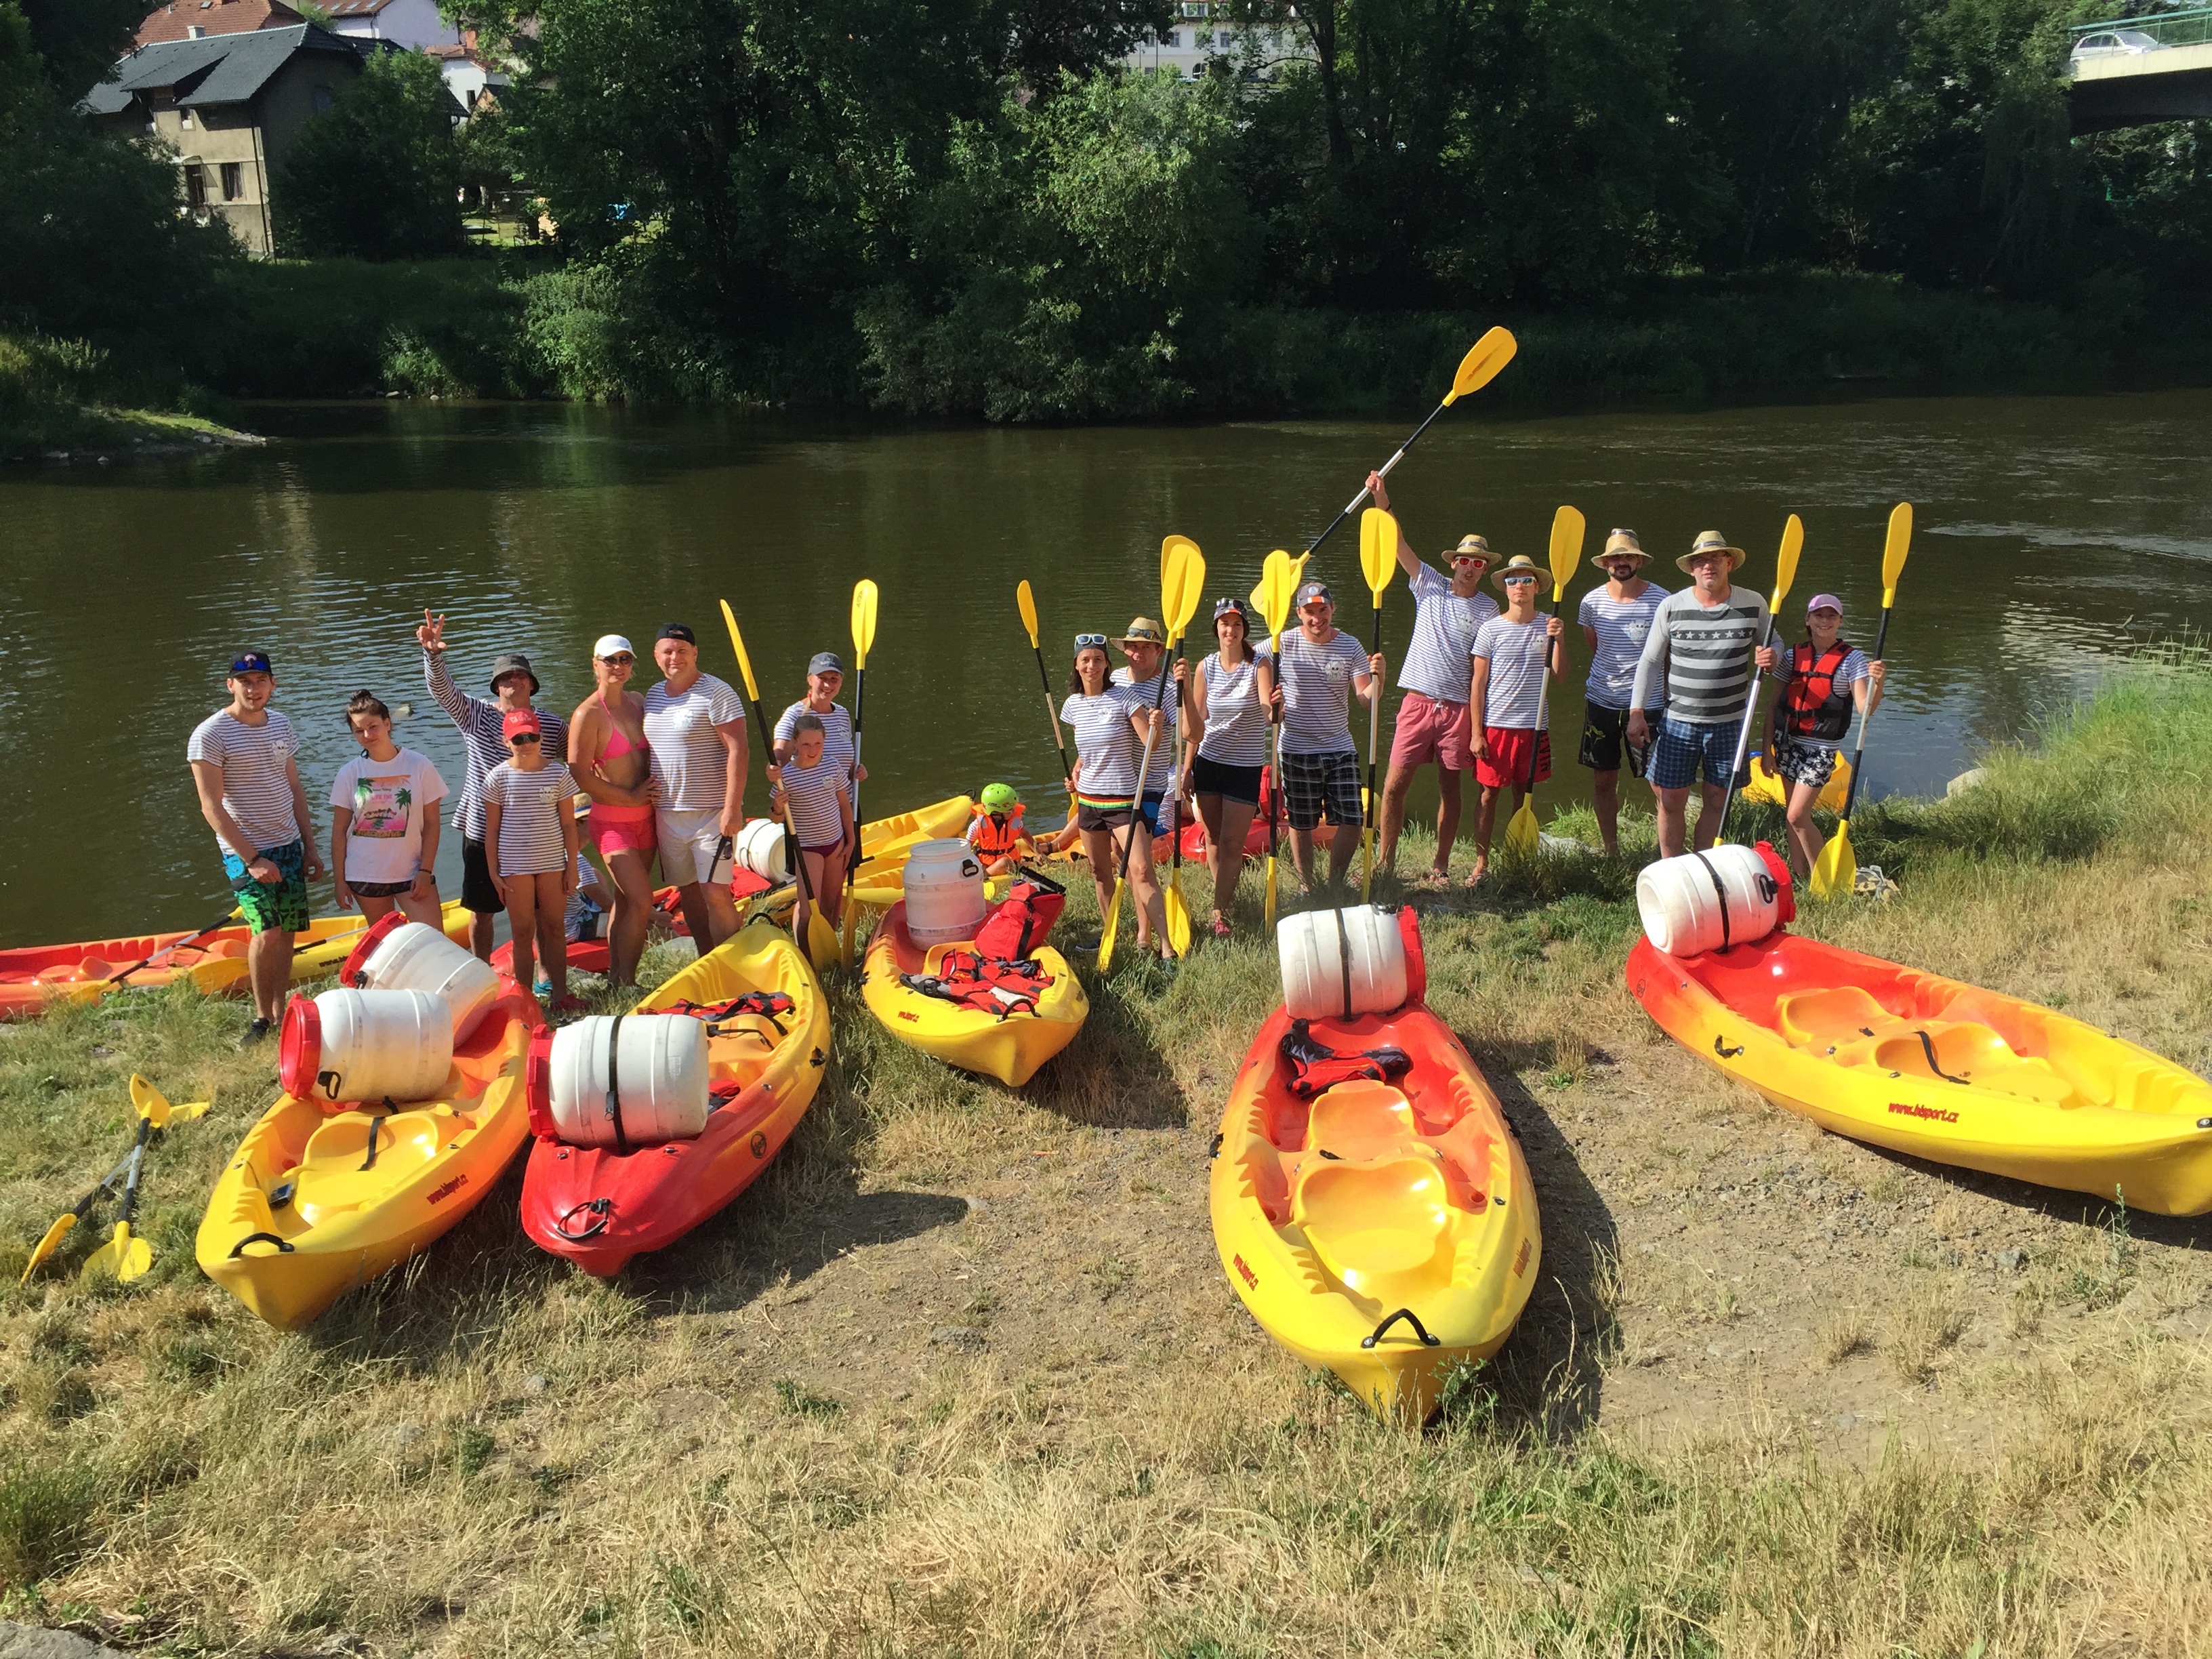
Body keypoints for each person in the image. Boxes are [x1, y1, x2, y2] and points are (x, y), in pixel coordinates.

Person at [186, 650, 324, 1044]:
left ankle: (282, 1015)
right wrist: (252, 858)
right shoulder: (209, 735)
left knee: (289, 932)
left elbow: (294, 787)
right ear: (231, 685)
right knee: (266, 931)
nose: (253, 688)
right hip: (245, 853)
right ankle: (261, 1020)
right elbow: (210, 806)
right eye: (245, 682)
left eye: (261, 681)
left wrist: (310, 848)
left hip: (288, 844)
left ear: (272, 685)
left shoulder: (281, 725)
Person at [1366, 471, 1496, 884]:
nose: (1470, 568)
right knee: (1393, 785)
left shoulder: (1492, 610)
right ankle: (1385, 862)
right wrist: (1382, 501)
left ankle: (1440, 865)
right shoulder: (1428, 585)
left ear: (1482, 568)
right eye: (1465, 561)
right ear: (1454, 562)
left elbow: (1490, 667)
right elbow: (1397, 543)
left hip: (1459, 710)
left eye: (1479, 563)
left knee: (1451, 789)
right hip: (1417, 702)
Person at [417, 611, 568, 963]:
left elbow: (578, 762)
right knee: (481, 910)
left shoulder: (550, 724)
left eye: (520, 676)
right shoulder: (477, 715)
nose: (513, 682)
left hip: (533, 834)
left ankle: (544, 978)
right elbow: (443, 691)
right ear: (496, 687)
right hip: (482, 829)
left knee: (540, 913)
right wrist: (433, 655)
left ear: (532, 684)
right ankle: (482, 972)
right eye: (505, 678)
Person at [1629, 531, 1778, 860]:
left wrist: (1772, 656)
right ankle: (1672, 868)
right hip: (1679, 720)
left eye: (1714, 559)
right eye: (1700, 561)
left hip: (1730, 723)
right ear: (1692, 569)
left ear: (1729, 563)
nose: (1707, 566)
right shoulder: (1671, 606)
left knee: (1716, 799)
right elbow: (1651, 661)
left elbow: (1774, 642)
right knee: (1670, 799)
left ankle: (1703, 866)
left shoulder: (1753, 603)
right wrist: (1636, 710)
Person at [1062, 632, 1172, 962]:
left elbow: (1150, 745)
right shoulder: (1072, 705)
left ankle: (1166, 948)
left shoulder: (1125, 697)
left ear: (1107, 663)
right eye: (1086, 660)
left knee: (1140, 869)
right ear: (1077, 666)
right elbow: (1087, 752)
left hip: (1124, 800)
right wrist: (1076, 774)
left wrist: (1157, 725)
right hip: (1089, 802)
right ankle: (1112, 932)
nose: (1092, 665)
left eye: (1098, 659)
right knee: (1099, 872)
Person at [1269, 580, 1383, 893]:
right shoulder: (1281, 642)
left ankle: (1334, 883)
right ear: (1298, 613)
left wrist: (1379, 679)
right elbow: (1248, 657)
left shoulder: (1350, 646)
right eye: (1309, 611)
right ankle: (1308, 886)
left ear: (1333, 610)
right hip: (1295, 747)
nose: (1317, 618)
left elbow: (1366, 698)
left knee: (1352, 819)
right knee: (1301, 823)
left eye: (1323, 610)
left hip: (1339, 745)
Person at [642, 622, 748, 954]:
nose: (676, 658)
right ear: (657, 657)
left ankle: (737, 957)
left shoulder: (717, 692)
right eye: (668, 652)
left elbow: (739, 749)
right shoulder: (653, 695)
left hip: (712, 813)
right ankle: (708, 957)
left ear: (695, 653)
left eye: (682, 651)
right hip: (668, 813)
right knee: (687, 891)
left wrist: (733, 807)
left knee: (715, 893)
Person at [1764, 594, 1885, 883]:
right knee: (1790, 816)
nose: (1825, 621)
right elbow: (1773, 706)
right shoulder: (1794, 655)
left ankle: (1825, 880)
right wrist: (1766, 750)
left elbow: (1863, 708)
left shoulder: (1852, 658)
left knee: (1797, 816)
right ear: (1808, 620)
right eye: (1819, 615)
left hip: (1820, 749)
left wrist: (1877, 682)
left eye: (1832, 616)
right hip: (1787, 743)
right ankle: (1800, 875)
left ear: (1841, 622)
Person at [1465, 556, 1568, 885]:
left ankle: (1515, 858)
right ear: (1505, 589)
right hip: (1496, 728)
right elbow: (1478, 684)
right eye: (1513, 581)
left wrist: (1560, 640)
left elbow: (1562, 675)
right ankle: (1481, 861)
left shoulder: (1549, 625)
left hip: (1534, 726)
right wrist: (1476, 733)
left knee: (1524, 794)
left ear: (1537, 586)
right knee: (1487, 795)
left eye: (1526, 580)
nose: (1519, 587)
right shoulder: (1490, 629)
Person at [567, 634, 656, 989]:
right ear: (595, 665)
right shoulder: (587, 714)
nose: (618, 666)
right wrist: (630, 796)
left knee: (624, 899)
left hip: (648, 817)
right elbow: (579, 773)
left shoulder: (638, 701)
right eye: (610, 660)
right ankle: (630, 982)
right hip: (613, 820)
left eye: (625, 659)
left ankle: (618, 980)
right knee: (641, 898)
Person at [1577, 530, 1670, 857]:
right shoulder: (1590, 602)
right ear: (1605, 563)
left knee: (1660, 783)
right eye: (1615, 557)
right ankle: (1611, 851)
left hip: (1650, 705)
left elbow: (1667, 656)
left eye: (1628, 556)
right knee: (1604, 780)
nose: (1621, 562)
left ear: (1639, 561)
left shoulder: (1662, 600)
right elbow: (1596, 647)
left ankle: (1666, 852)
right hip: (1602, 702)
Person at [1186, 596, 1275, 937]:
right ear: (1216, 628)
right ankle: (1226, 898)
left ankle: (1218, 909)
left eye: (1237, 624)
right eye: (1225, 624)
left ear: (1244, 630)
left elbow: (1268, 711)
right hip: (1208, 762)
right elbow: (1195, 724)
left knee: (1233, 844)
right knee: (1212, 837)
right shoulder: (1204, 667)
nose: (1231, 630)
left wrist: (1275, 710)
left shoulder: (1260, 664)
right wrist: (1187, 769)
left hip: (1245, 766)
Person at [482, 710, 581, 1014]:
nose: (526, 744)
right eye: (519, 739)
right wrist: (493, 873)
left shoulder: (558, 773)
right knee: (522, 932)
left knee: (554, 928)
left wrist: (572, 865)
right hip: (515, 866)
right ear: (506, 741)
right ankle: (524, 1001)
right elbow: (493, 831)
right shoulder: (497, 777)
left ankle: (561, 993)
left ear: (541, 738)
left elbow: (568, 824)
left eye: (532, 737)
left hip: (552, 863)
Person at [329, 690, 448, 930]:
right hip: (364, 875)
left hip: (412, 873)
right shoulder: (349, 773)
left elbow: (433, 824)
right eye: (358, 731)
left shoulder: (420, 765)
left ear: (387, 723)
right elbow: (339, 833)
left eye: (373, 727)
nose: (367, 735)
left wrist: (426, 870)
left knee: (434, 941)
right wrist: (339, 881)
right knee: (387, 947)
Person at [767, 712, 854, 943]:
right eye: (806, 744)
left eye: (818, 743)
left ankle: (827, 949)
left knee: (829, 903)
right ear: (794, 743)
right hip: (808, 849)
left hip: (835, 843)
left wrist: (851, 839)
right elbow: (775, 819)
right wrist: (777, 806)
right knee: (808, 910)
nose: (813, 749)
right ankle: (804, 952)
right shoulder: (785, 777)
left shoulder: (832, 765)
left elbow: (845, 806)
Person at [1109, 618, 1187, 843]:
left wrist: (1188, 770)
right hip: (1118, 779)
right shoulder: (1114, 680)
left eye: (1146, 647)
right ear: (1125, 648)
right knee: (1117, 848)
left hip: (1150, 783)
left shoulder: (1170, 688)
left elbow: (1189, 734)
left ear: (1159, 651)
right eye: (1133, 646)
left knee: (1137, 849)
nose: (1138, 653)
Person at [773, 653, 865, 781]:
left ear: (841, 682)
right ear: (810, 680)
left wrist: (856, 771)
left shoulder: (842, 714)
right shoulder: (795, 715)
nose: (828, 685)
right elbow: (778, 761)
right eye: (822, 678)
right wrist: (773, 768)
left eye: (834, 679)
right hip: (808, 799)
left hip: (843, 799)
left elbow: (844, 765)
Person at [966, 784, 1031, 877]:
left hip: (1011, 864)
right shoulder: (977, 825)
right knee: (1004, 862)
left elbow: (1025, 834)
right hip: (986, 866)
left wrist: (1039, 853)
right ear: (996, 814)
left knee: (1005, 863)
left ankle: (984, 876)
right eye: (1009, 811)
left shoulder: (1015, 822)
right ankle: (983, 876)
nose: (1013, 813)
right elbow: (966, 849)